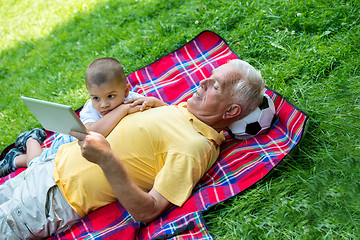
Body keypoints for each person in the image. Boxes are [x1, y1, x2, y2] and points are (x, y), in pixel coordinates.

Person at [0, 59, 265, 239]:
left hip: (53, 199)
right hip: (46, 168)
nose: (202, 84)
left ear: (231, 111)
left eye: (214, 86)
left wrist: (107, 160)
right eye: (208, 78)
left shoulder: (195, 146)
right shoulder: (184, 110)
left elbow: (148, 210)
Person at [0, 58, 164, 178]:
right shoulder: (92, 109)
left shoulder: (132, 99)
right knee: (36, 166)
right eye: (96, 98)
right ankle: (31, 139)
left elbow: (168, 111)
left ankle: (14, 159)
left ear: (126, 91)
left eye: (111, 96)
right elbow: (91, 133)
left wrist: (155, 102)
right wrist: (122, 110)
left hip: (78, 150)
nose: (103, 105)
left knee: (42, 156)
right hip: (67, 142)